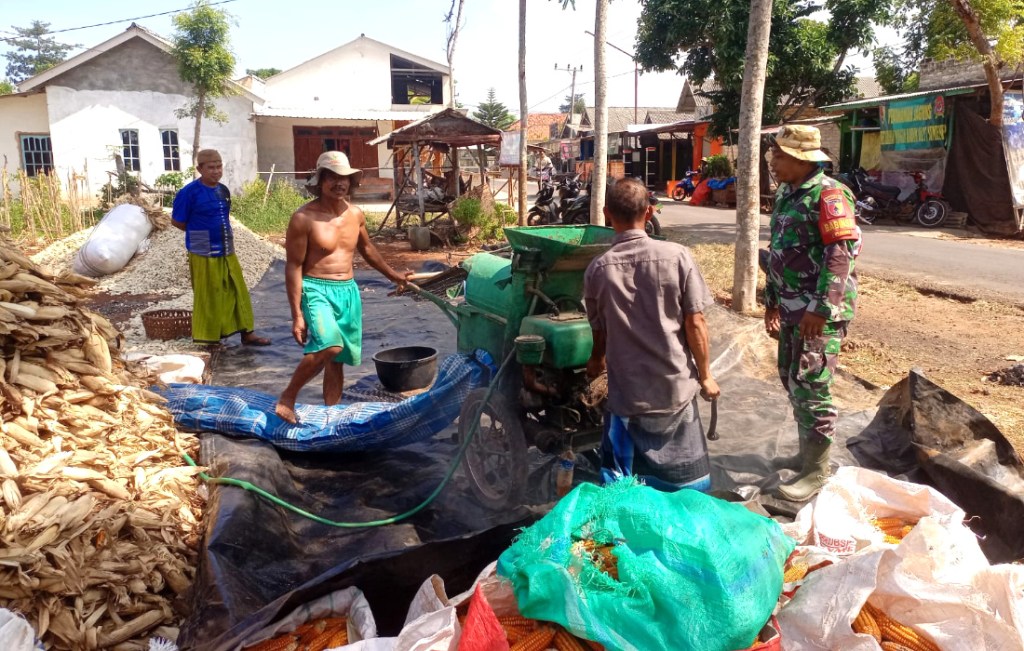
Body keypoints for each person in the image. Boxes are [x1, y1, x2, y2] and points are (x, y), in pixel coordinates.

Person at [584, 177, 721, 492]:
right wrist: (706, 375)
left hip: (627, 396)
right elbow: (696, 322)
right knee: (689, 489)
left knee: (624, 489)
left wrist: (596, 362)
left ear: (607, 214)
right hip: (675, 389)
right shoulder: (678, 256)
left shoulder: (597, 269)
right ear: (648, 213)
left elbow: (599, 331)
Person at [274, 151, 411, 424]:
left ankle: (331, 415)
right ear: (320, 180)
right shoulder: (303, 218)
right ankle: (288, 397)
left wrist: (394, 276)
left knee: (337, 360)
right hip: (315, 289)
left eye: (345, 178)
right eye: (332, 177)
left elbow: (368, 249)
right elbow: (293, 266)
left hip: (347, 291)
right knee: (330, 346)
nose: (339, 183)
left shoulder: (355, 215)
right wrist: (297, 315)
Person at [763, 125, 860, 501]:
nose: (773, 160)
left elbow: (840, 256)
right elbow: (780, 250)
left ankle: (816, 473)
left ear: (802, 160)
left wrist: (821, 308)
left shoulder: (830, 195)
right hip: (791, 309)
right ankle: (807, 454)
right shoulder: (789, 192)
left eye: (780, 155)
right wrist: (771, 300)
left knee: (812, 387)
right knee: (792, 379)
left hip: (817, 313)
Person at [172, 149, 271, 346]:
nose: (216, 171)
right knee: (209, 293)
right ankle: (209, 339)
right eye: (211, 167)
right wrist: (200, 234)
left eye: (219, 167)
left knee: (237, 289)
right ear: (200, 168)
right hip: (201, 248)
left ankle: (247, 333)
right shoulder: (188, 193)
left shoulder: (222, 190)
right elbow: (178, 222)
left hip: (226, 246)